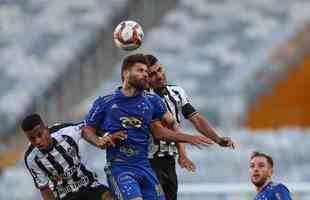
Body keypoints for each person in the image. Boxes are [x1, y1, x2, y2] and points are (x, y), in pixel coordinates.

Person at [83, 53, 211, 200]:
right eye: (140, 70)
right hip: (121, 167)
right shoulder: (105, 102)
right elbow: (87, 129)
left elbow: (169, 126)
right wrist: (98, 140)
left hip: (145, 166)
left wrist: (185, 144)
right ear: (126, 73)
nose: (145, 74)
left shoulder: (152, 101)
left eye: (146, 71)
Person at [145, 54, 237, 200]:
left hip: (169, 161)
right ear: (145, 78)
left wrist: (218, 139)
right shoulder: (143, 99)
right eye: (153, 74)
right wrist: (189, 140)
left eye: (160, 70)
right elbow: (159, 132)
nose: (159, 76)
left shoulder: (177, 93)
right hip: (148, 162)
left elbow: (196, 119)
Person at [22, 113, 125, 200]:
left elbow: (85, 129)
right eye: (32, 138)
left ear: (46, 129)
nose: (37, 141)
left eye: (40, 135)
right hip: (64, 196)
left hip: (88, 184)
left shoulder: (65, 131)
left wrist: (99, 141)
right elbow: (44, 188)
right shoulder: (31, 158)